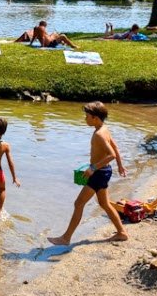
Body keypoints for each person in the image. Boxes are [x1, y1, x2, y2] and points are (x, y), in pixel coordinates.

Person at [49, 102, 128, 245]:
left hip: (99, 173)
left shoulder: (99, 134)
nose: (85, 119)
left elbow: (111, 154)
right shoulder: (104, 128)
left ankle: (66, 238)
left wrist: (93, 168)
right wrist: (120, 166)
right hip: (104, 171)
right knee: (105, 204)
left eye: (87, 116)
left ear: (95, 118)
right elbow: (115, 147)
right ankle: (121, 233)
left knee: (78, 203)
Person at [14, 21, 79, 49]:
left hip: (50, 42)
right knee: (63, 36)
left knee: (54, 33)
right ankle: (72, 46)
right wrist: (42, 47)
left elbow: (34, 37)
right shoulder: (41, 28)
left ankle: (63, 42)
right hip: (49, 44)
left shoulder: (37, 28)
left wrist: (31, 44)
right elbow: (42, 37)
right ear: (44, 25)